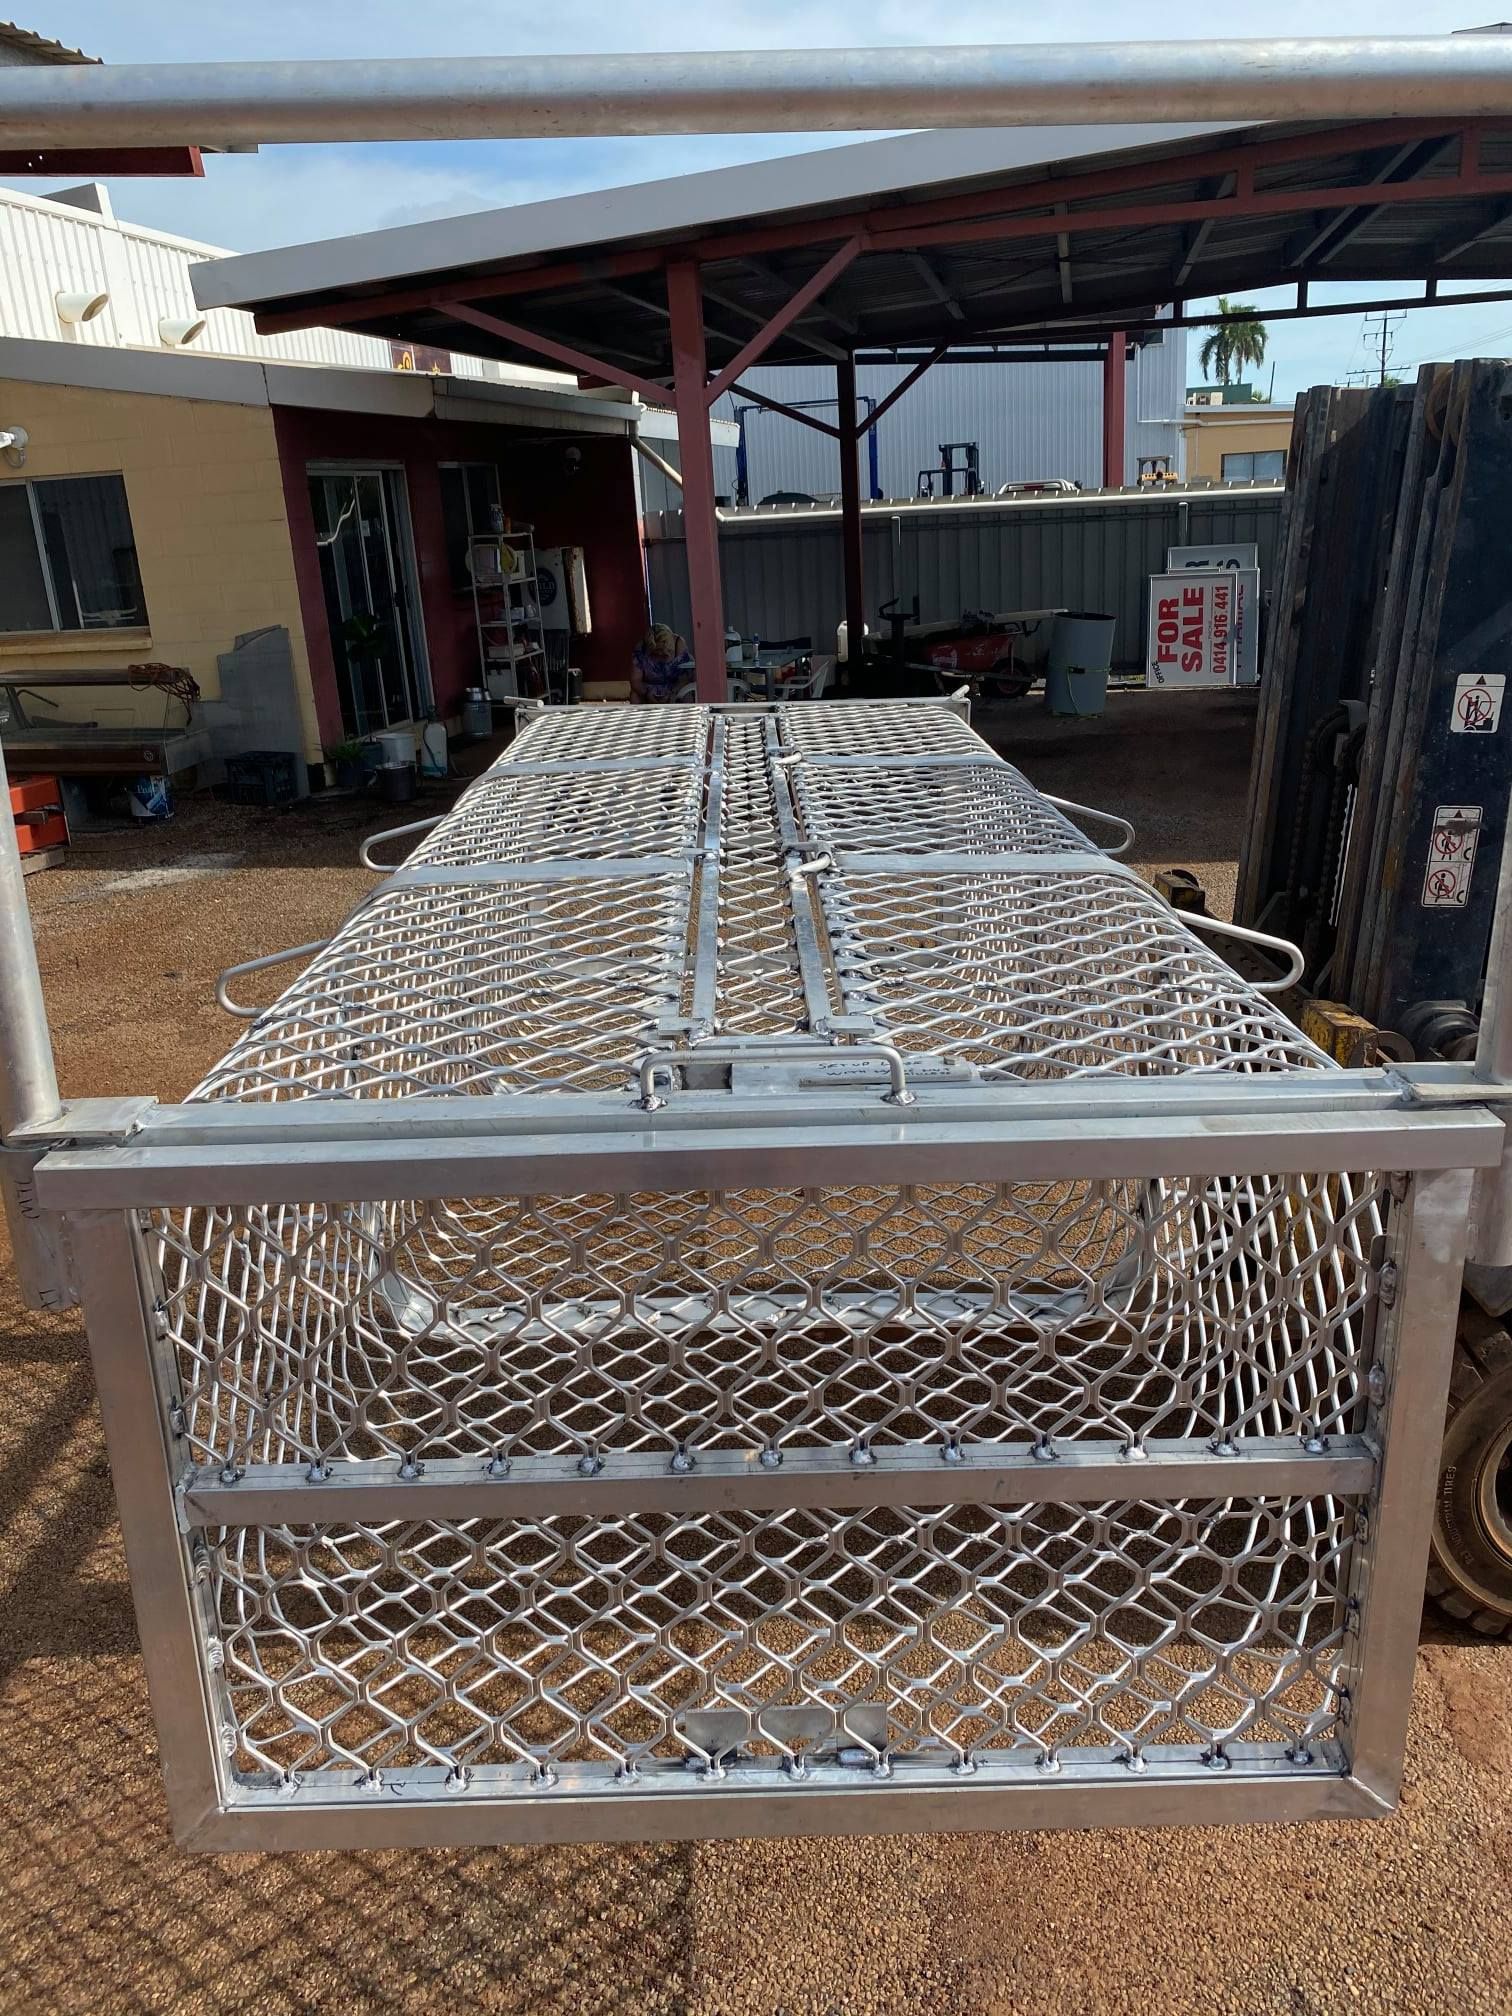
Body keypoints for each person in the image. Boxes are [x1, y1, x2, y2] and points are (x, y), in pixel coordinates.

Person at [630, 624, 695, 703]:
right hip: (650, 689)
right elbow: (636, 680)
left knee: (687, 695)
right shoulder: (641, 648)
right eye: (656, 653)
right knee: (634, 695)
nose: (660, 655)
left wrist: (673, 693)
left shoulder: (679, 644)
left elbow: (687, 676)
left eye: (665, 653)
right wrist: (647, 693)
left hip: (675, 687)